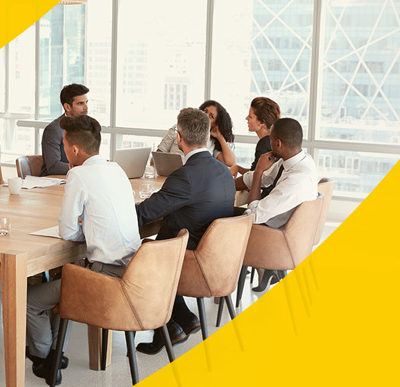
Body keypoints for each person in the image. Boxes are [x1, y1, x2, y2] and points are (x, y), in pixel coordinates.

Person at [26, 115, 141, 385]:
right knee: (64, 278)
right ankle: (55, 352)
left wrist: (81, 226)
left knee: (29, 299)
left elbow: (67, 232)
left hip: (105, 278)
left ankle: (42, 357)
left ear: (74, 149)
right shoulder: (117, 169)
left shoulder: (77, 173)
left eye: (64, 145)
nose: (64, 151)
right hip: (133, 271)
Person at [135, 107, 236, 355]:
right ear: (205, 136)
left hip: (189, 257)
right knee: (153, 253)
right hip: (215, 255)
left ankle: (173, 325)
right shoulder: (223, 171)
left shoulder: (185, 176)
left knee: (142, 258)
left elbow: (145, 213)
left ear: (179, 137)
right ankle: (181, 320)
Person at [236, 118, 318, 289]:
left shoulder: (296, 180)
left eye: (270, 139)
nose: (268, 142)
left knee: (215, 217)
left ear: (278, 143)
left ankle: (220, 280)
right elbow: (263, 179)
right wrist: (223, 183)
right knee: (225, 211)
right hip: (274, 225)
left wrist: (258, 170)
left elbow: (254, 215)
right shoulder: (296, 160)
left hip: (272, 235)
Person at [156, 100, 236, 167]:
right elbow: (155, 160)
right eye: (205, 111)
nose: (205, 115)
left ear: (215, 124)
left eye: (211, 116)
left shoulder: (212, 142)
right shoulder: (177, 128)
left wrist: (220, 137)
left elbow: (230, 163)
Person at [40, 83, 89, 176]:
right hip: (53, 183)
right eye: (80, 103)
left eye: (86, 102)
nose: (86, 107)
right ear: (67, 107)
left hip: (76, 178)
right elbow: (54, 167)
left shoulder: (87, 126)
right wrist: (83, 169)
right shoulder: (54, 130)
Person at [230, 97, 281, 176]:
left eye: (250, 116)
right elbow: (255, 172)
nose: (246, 118)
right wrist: (238, 168)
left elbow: (253, 179)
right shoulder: (270, 140)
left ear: (261, 122)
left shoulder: (264, 144)